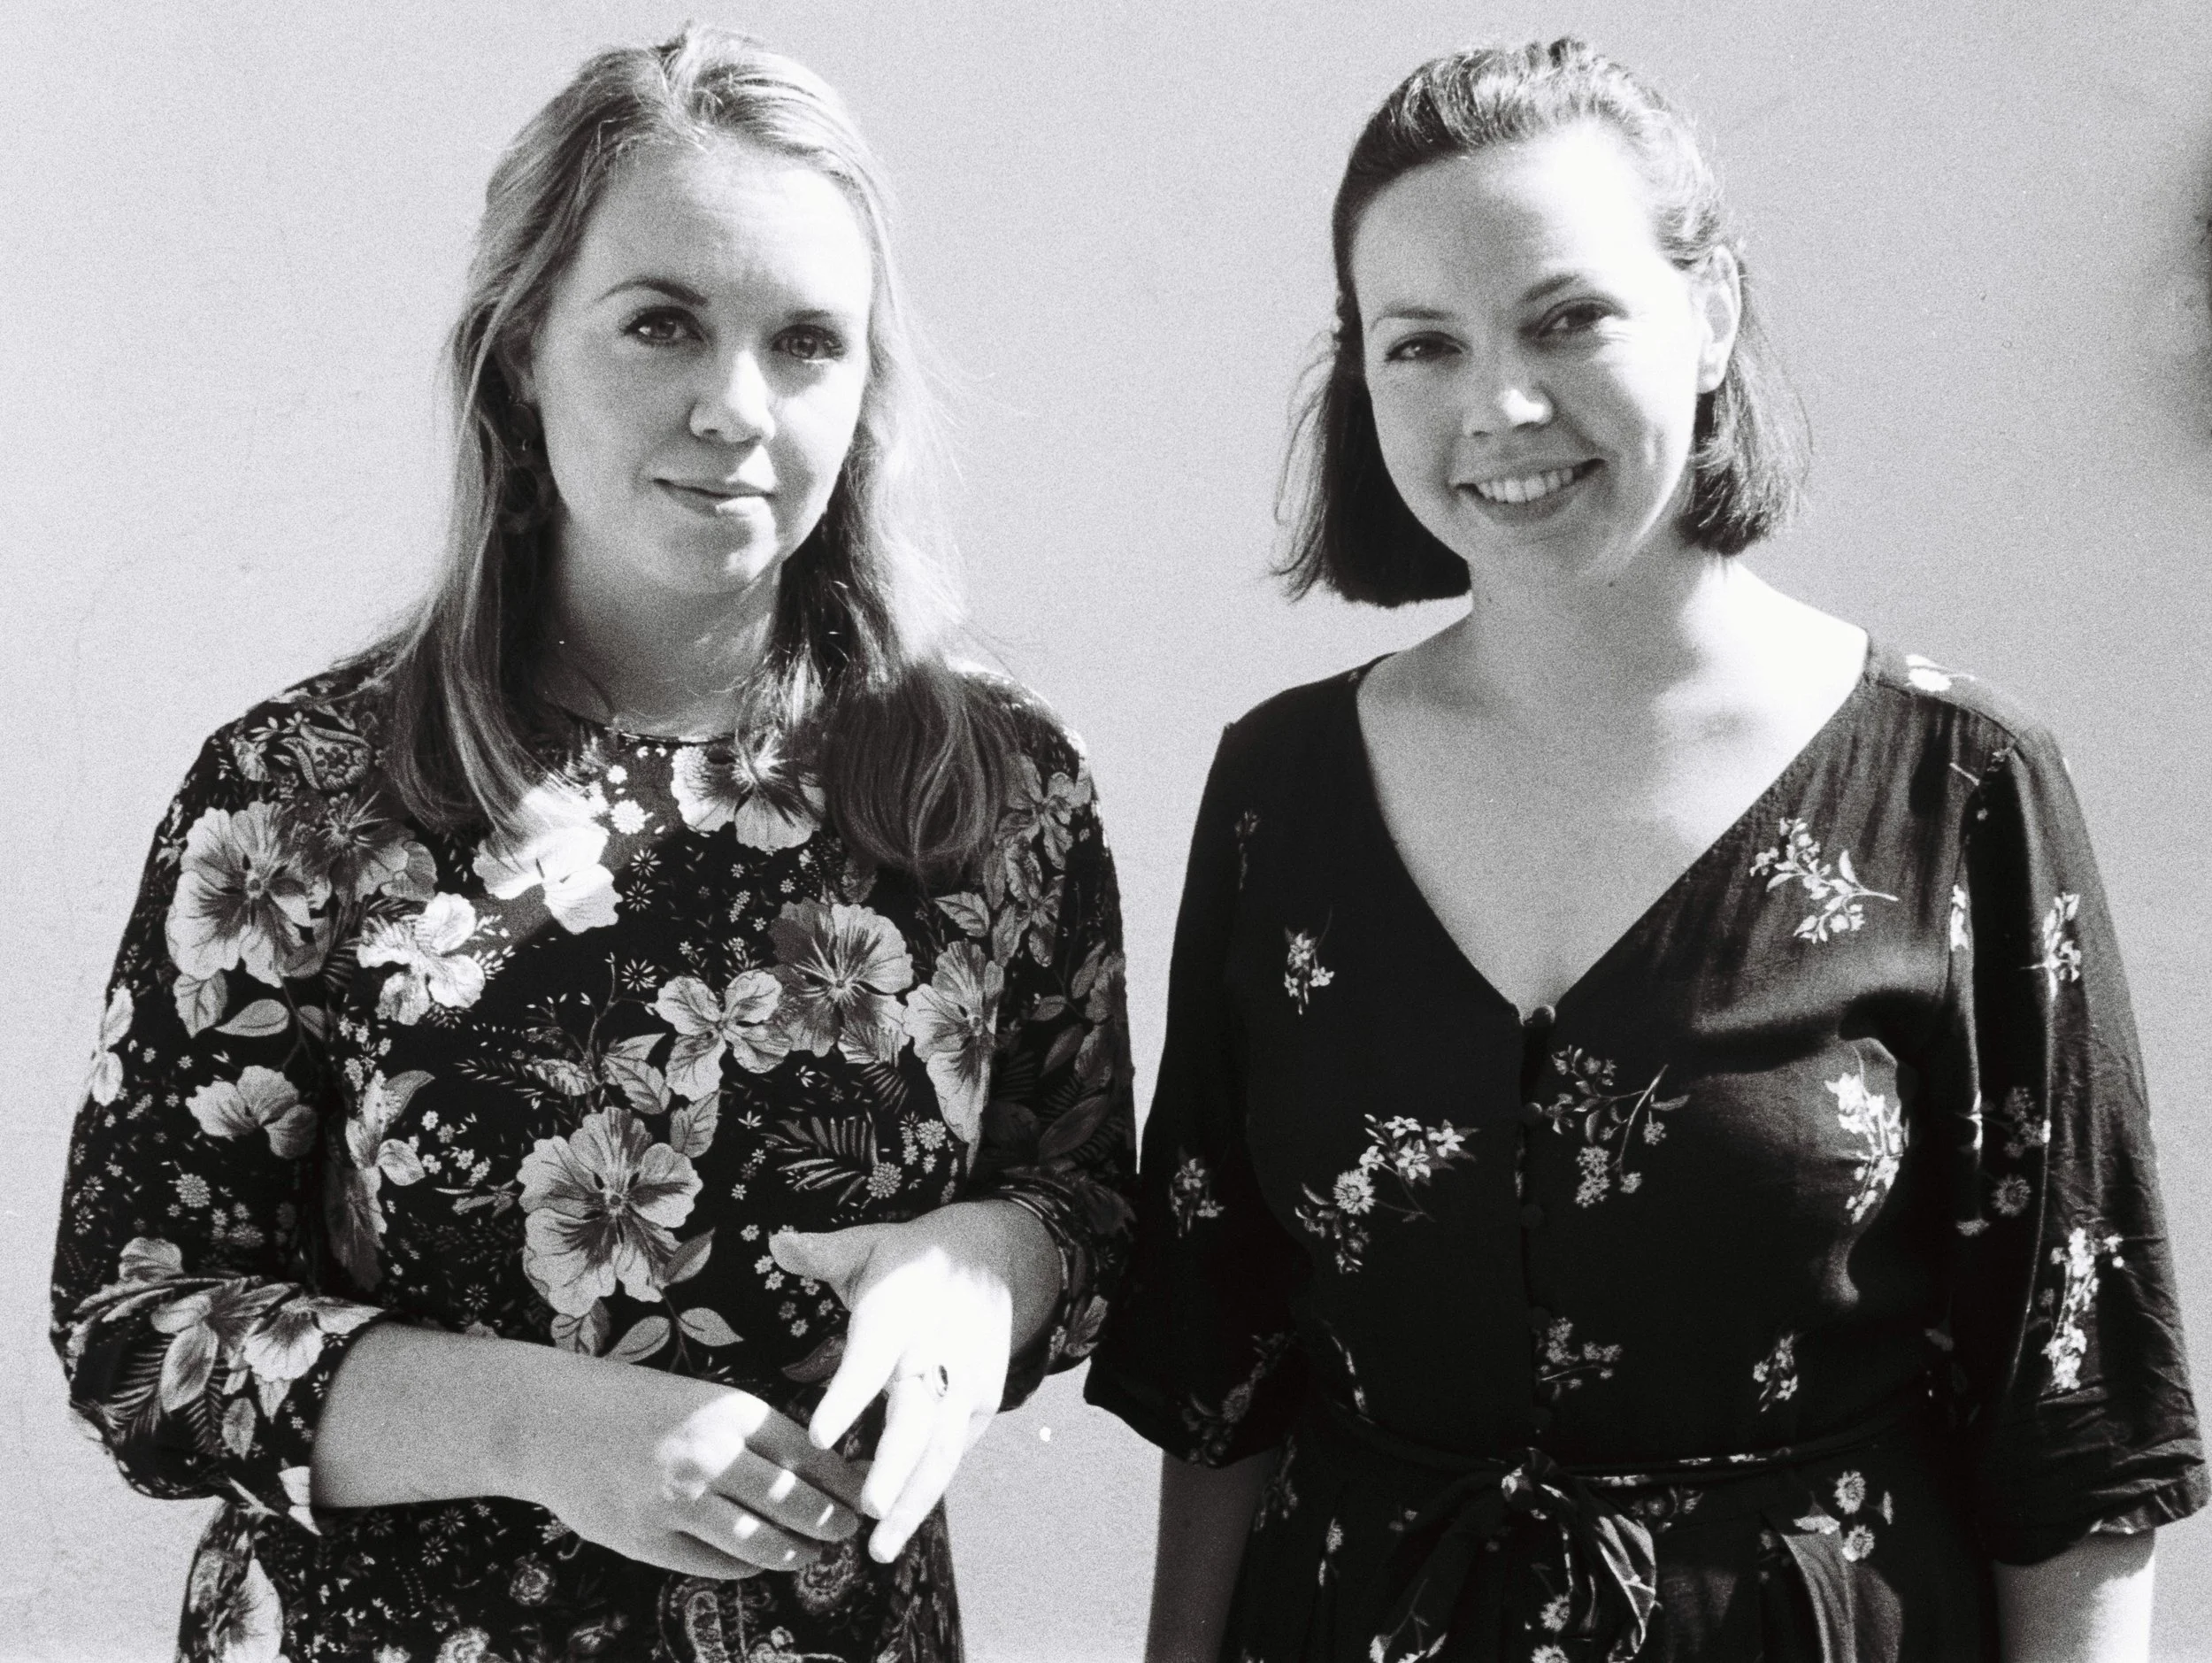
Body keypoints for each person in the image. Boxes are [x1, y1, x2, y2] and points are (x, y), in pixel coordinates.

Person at [1085, 37, 2201, 1663]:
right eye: (1423, 344)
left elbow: (2077, 1410)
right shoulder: (1280, 792)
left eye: (1568, 318)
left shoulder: (1960, 786)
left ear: (1711, 312)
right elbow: (1222, 1368)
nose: (1500, 406)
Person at [51, 27, 1134, 1663]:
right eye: (660, 323)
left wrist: (987, 1262)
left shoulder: (993, 787)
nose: (734, 406)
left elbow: (1091, 1202)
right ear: (520, 360)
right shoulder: (300, 798)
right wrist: (534, 1423)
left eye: (806, 343)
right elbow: (137, 1331)